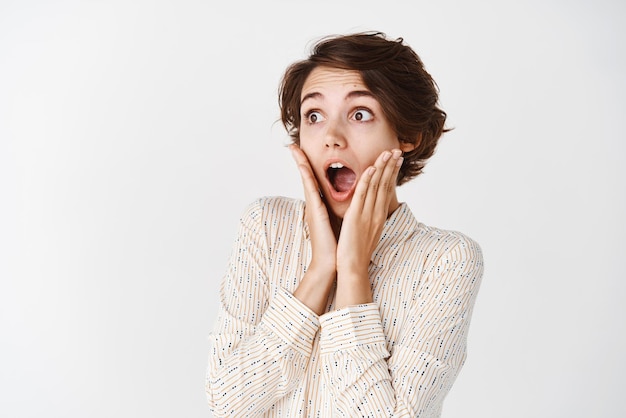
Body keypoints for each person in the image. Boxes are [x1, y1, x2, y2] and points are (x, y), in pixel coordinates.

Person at [205, 31, 484, 417]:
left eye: (359, 114)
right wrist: (320, 269)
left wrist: (353, 271)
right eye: (314, 116)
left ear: (407, 135)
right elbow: (226, 403)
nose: (331, 138)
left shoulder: (446, 259)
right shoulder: (266, 226)